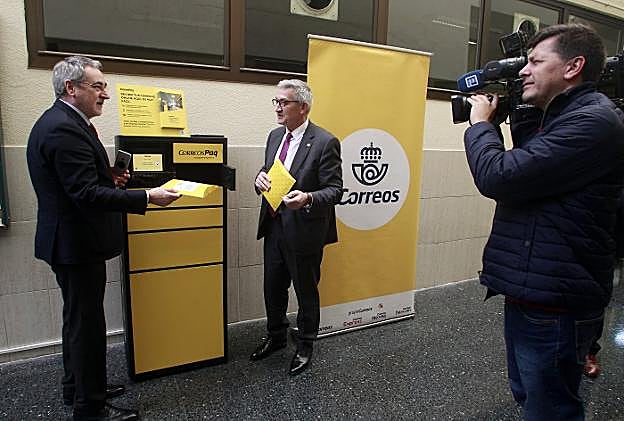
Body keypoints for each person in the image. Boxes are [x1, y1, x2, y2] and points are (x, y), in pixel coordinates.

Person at [464, 24, 624, 419]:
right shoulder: (556, 117)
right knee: (528, 392)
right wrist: (518, 115)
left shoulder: (594, 122)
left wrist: (481, 125)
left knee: (551, 408)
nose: (523, 70)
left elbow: (500, 177)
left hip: (558, 299)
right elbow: (529, 176)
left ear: (573, 67)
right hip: (532, 286)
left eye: (535, 62)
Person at [27, 56, 180, 420]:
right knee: (87, 327)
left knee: (77, 320)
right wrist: (147, 196)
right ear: (71, 88)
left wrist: (108, 176)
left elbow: (78, 182)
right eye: (97, 86)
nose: (105, 94)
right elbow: (85, 194)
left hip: (72, 242)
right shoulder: (63, 129)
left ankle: (78, 387)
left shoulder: (65, 123)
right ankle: (91, 408)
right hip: (76, 245)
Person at [251, 79, 342, 376]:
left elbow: (335, 191)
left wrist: (307, 198)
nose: (277, 108)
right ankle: (277, 335)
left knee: (305, 292)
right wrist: (259, 179)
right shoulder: (275, 136)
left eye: (283, 102)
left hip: (304, 231)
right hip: (274, 226)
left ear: (303, 107)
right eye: (275, 102)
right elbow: (268, 170)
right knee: (273, 288)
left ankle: (305, 345)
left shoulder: (325, 142)